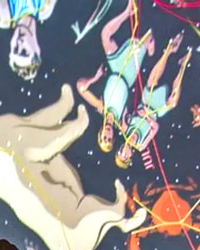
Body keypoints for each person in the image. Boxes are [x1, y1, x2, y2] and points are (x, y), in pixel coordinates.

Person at [77, 0, 155, 154]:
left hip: (115, 66)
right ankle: (152, 47)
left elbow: (80, 87)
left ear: (100, 132)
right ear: (113, 136)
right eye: (109, 139)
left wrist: (94, 78)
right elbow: (139, 136)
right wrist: (139, 144)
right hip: (128, 74)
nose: (107, 135)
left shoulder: (101, 107)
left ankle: (127, 11)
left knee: (105, 35)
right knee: (148, 38)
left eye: (103, 137)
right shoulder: (122, 124)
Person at [114, 33, 191, 169]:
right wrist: (148, 118)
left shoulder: (125, 129)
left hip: (147, 101)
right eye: (124, 156)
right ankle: (183, 65)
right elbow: (155, 128)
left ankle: (168, 51)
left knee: (150, 82)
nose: (123, 152)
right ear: (129, 157)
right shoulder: (141, 144)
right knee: (172, 102)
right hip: (156, 111)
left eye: (120, 152)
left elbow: (128, 108)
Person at [0, 0, 57, 81]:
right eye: (24, 51)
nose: (19, 43)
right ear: (37, 50)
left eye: (15, 49)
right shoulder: (44, 9)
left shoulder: (4, 17)